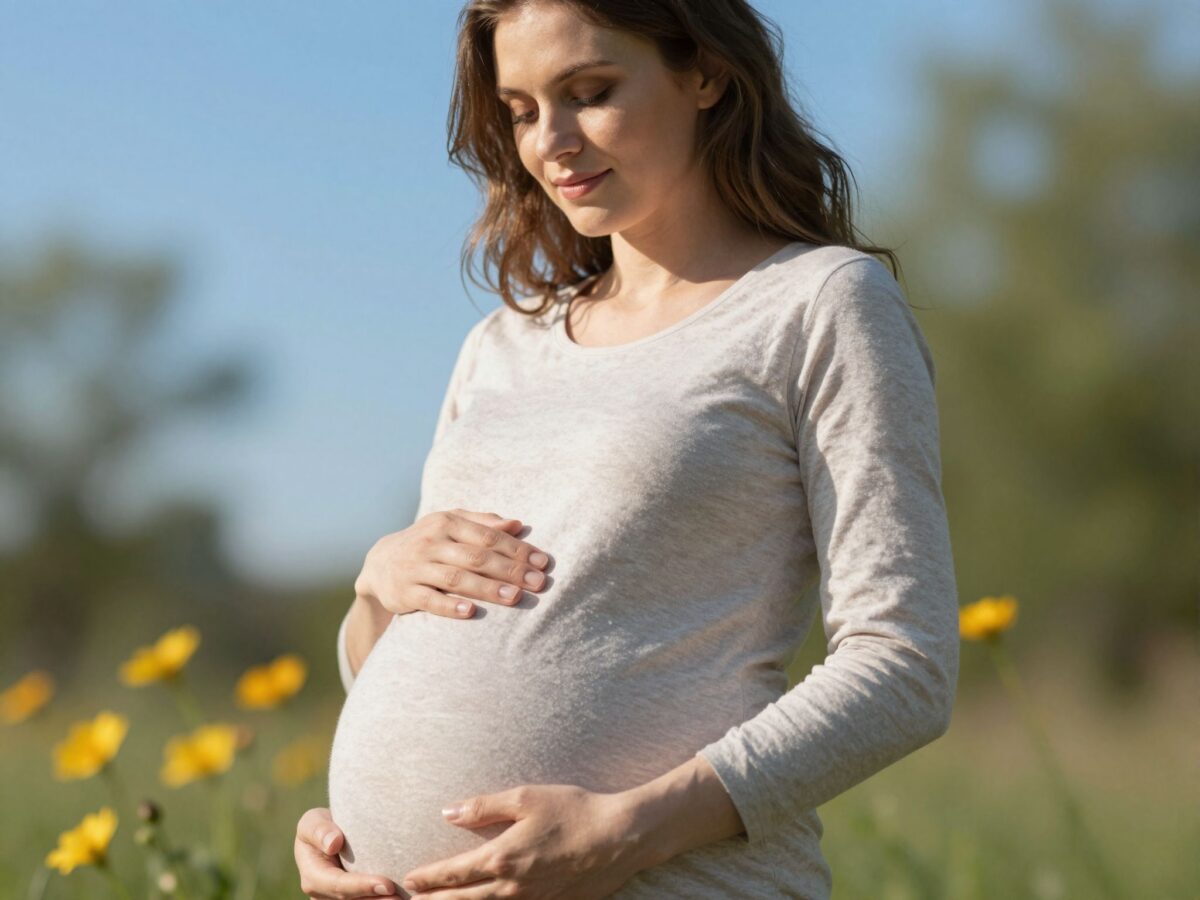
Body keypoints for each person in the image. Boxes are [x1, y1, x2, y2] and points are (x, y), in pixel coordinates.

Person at [294, 0, 960, 897]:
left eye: (591, 91)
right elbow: (417, 657)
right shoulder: (499, 345)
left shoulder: (821, 305)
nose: (551, 142)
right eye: (523, 110)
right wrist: (379, 591)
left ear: (705, 73)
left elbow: (904, 666)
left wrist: (629, 833)